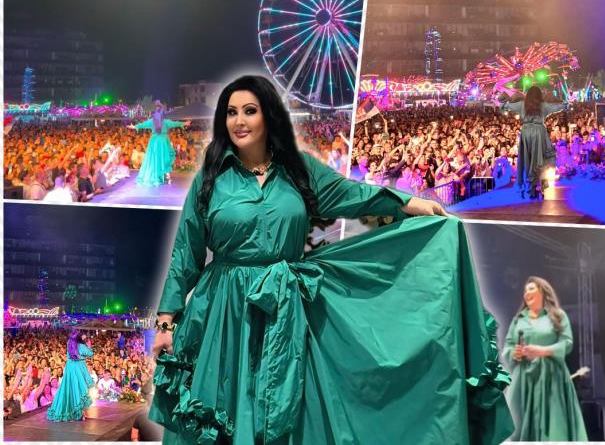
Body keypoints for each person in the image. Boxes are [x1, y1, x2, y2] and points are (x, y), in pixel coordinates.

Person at [148, 75, 513, 444]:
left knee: (294, 410)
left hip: (286, 311)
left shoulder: (299, 170)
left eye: (249, 111)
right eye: (231, 113)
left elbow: (352, 194)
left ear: (269, 116)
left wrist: (407, 203)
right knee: (222, 410)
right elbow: (185, 252)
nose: (239, 121)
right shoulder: (211, 178)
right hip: (223, 314)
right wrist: (165, 324)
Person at [502, 276, 587, 441]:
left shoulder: (558, 316)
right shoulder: (518, 319)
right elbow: (508, 346)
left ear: (543, 291)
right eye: (525, 291)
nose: (526, 293)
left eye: (531, 289)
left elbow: (567, 343)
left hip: (552, 377)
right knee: (518, 425)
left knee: (554, 428)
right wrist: (515, 353)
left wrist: (543, 351)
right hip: (524, 379)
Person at [498, 86, 566, 200]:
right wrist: (562, 102)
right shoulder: (543, 106)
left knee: (527, 160)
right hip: (539, 132)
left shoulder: (522, 105)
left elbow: (506, 106)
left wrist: (506, 101)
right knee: (544, 159)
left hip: (526, 133)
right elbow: (559, 107)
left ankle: (528, 187)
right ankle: (541, 186)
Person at [127, 101, 190, 186]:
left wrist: (135, 126)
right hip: (163, 141)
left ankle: (160, 176)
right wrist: (184, 123)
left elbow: (142, 125)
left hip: (155, 142)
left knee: (155, 159)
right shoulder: (165, 121)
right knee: (164, 158)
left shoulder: (153, 121)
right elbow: (175, 123)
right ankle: (166, 176)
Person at [46, 331, 95, 422]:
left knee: (69, 389)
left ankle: (73, 412)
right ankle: (79, 413)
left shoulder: (69, 344)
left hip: (70, 367)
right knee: (79, 390)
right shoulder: (81, 346)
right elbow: (90, 353)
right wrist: (89, 345)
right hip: (78, 368)